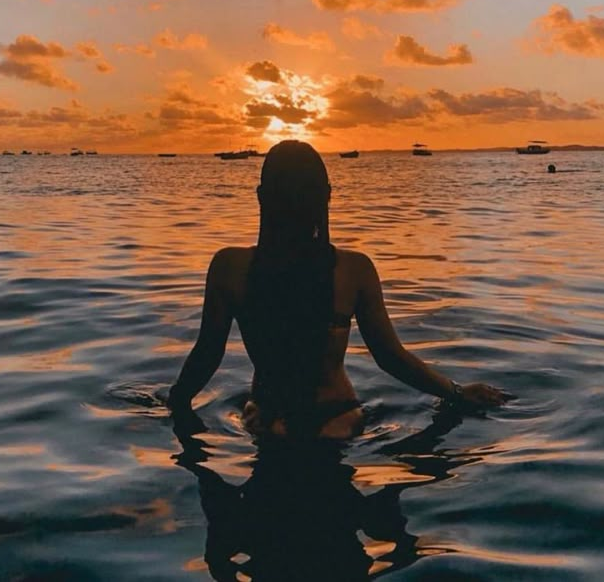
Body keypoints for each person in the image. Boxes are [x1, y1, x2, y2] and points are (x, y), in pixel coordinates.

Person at [167, 140, 508, 439]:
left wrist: (173, 404)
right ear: (327, 195)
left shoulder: (229, 268)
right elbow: (390, 358)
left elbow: (207, 356)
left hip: (268, 422)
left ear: (261, 197)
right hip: (339, 421)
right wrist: (458, 393)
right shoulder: (353, 269)